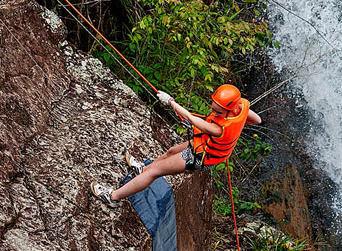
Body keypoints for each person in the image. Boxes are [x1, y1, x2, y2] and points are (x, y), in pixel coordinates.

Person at [90, 84, 261, 207]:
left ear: (230, 110)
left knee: (155, 172)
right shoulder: (240, 108)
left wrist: (170, 102)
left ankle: (113, 196)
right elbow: (256, 120)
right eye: (213, 108)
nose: (214, 113)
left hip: (200, 157)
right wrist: (238, 123)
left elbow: (191, 119)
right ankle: (142, 170)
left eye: (219, 112)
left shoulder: (218, 129)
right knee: (171, 151)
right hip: (202, 144)